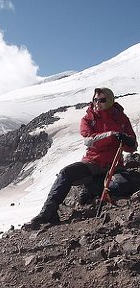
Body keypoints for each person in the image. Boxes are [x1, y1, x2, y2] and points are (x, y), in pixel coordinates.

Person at [23, 87, 138, 230]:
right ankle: (47, 213)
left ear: (110, 101)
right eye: (95, 99)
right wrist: (112, 135)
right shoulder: (88, 119)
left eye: (102, 100)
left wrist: (128, 141)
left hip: (114, 164)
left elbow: (132, 146)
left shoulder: (121, 119)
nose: (97, 103)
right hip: (92, 162)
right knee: (66, 173)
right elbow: (89, 140)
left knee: (125, 185)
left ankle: (94, 188)